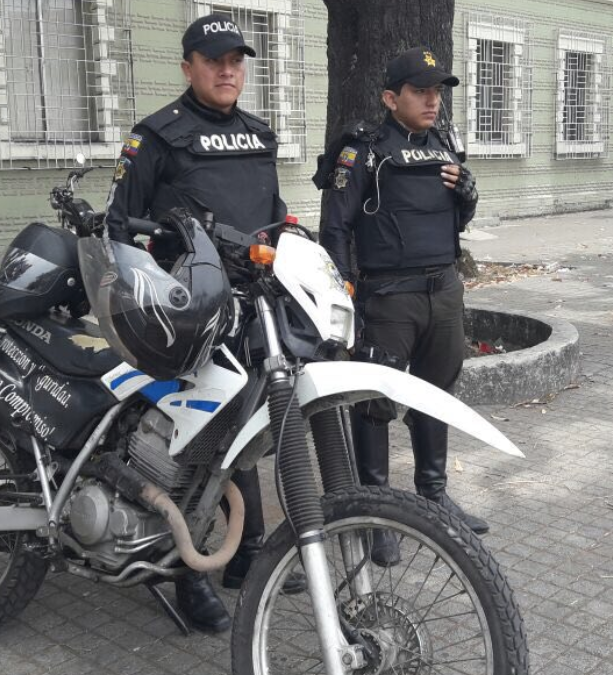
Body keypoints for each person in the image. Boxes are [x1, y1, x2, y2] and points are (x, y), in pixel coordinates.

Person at [103, 13, 290, 634]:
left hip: (254, 306)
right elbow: (117, 231)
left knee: (251, 428)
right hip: (185, 315)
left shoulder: (258, 135)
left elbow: (275, 219)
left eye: (237, 59)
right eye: (214, 60)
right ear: (188, 67)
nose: (228, 70)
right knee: (191, 442)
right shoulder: (156, 137)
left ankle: (249, 551)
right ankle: (184, 573)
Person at [317, 47, 488, 566]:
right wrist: (343, 290)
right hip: (388, 298)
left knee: (437, 395)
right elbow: (336, 227)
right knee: (375, 404)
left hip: (443, 288)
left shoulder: (445, 142)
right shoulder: (364, 149)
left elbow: (461, 217)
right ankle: (376, 516)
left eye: (437, 91)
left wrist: (469, 193)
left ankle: (433, 496)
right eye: (420, 91)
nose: (432, 100)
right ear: (391, 98)